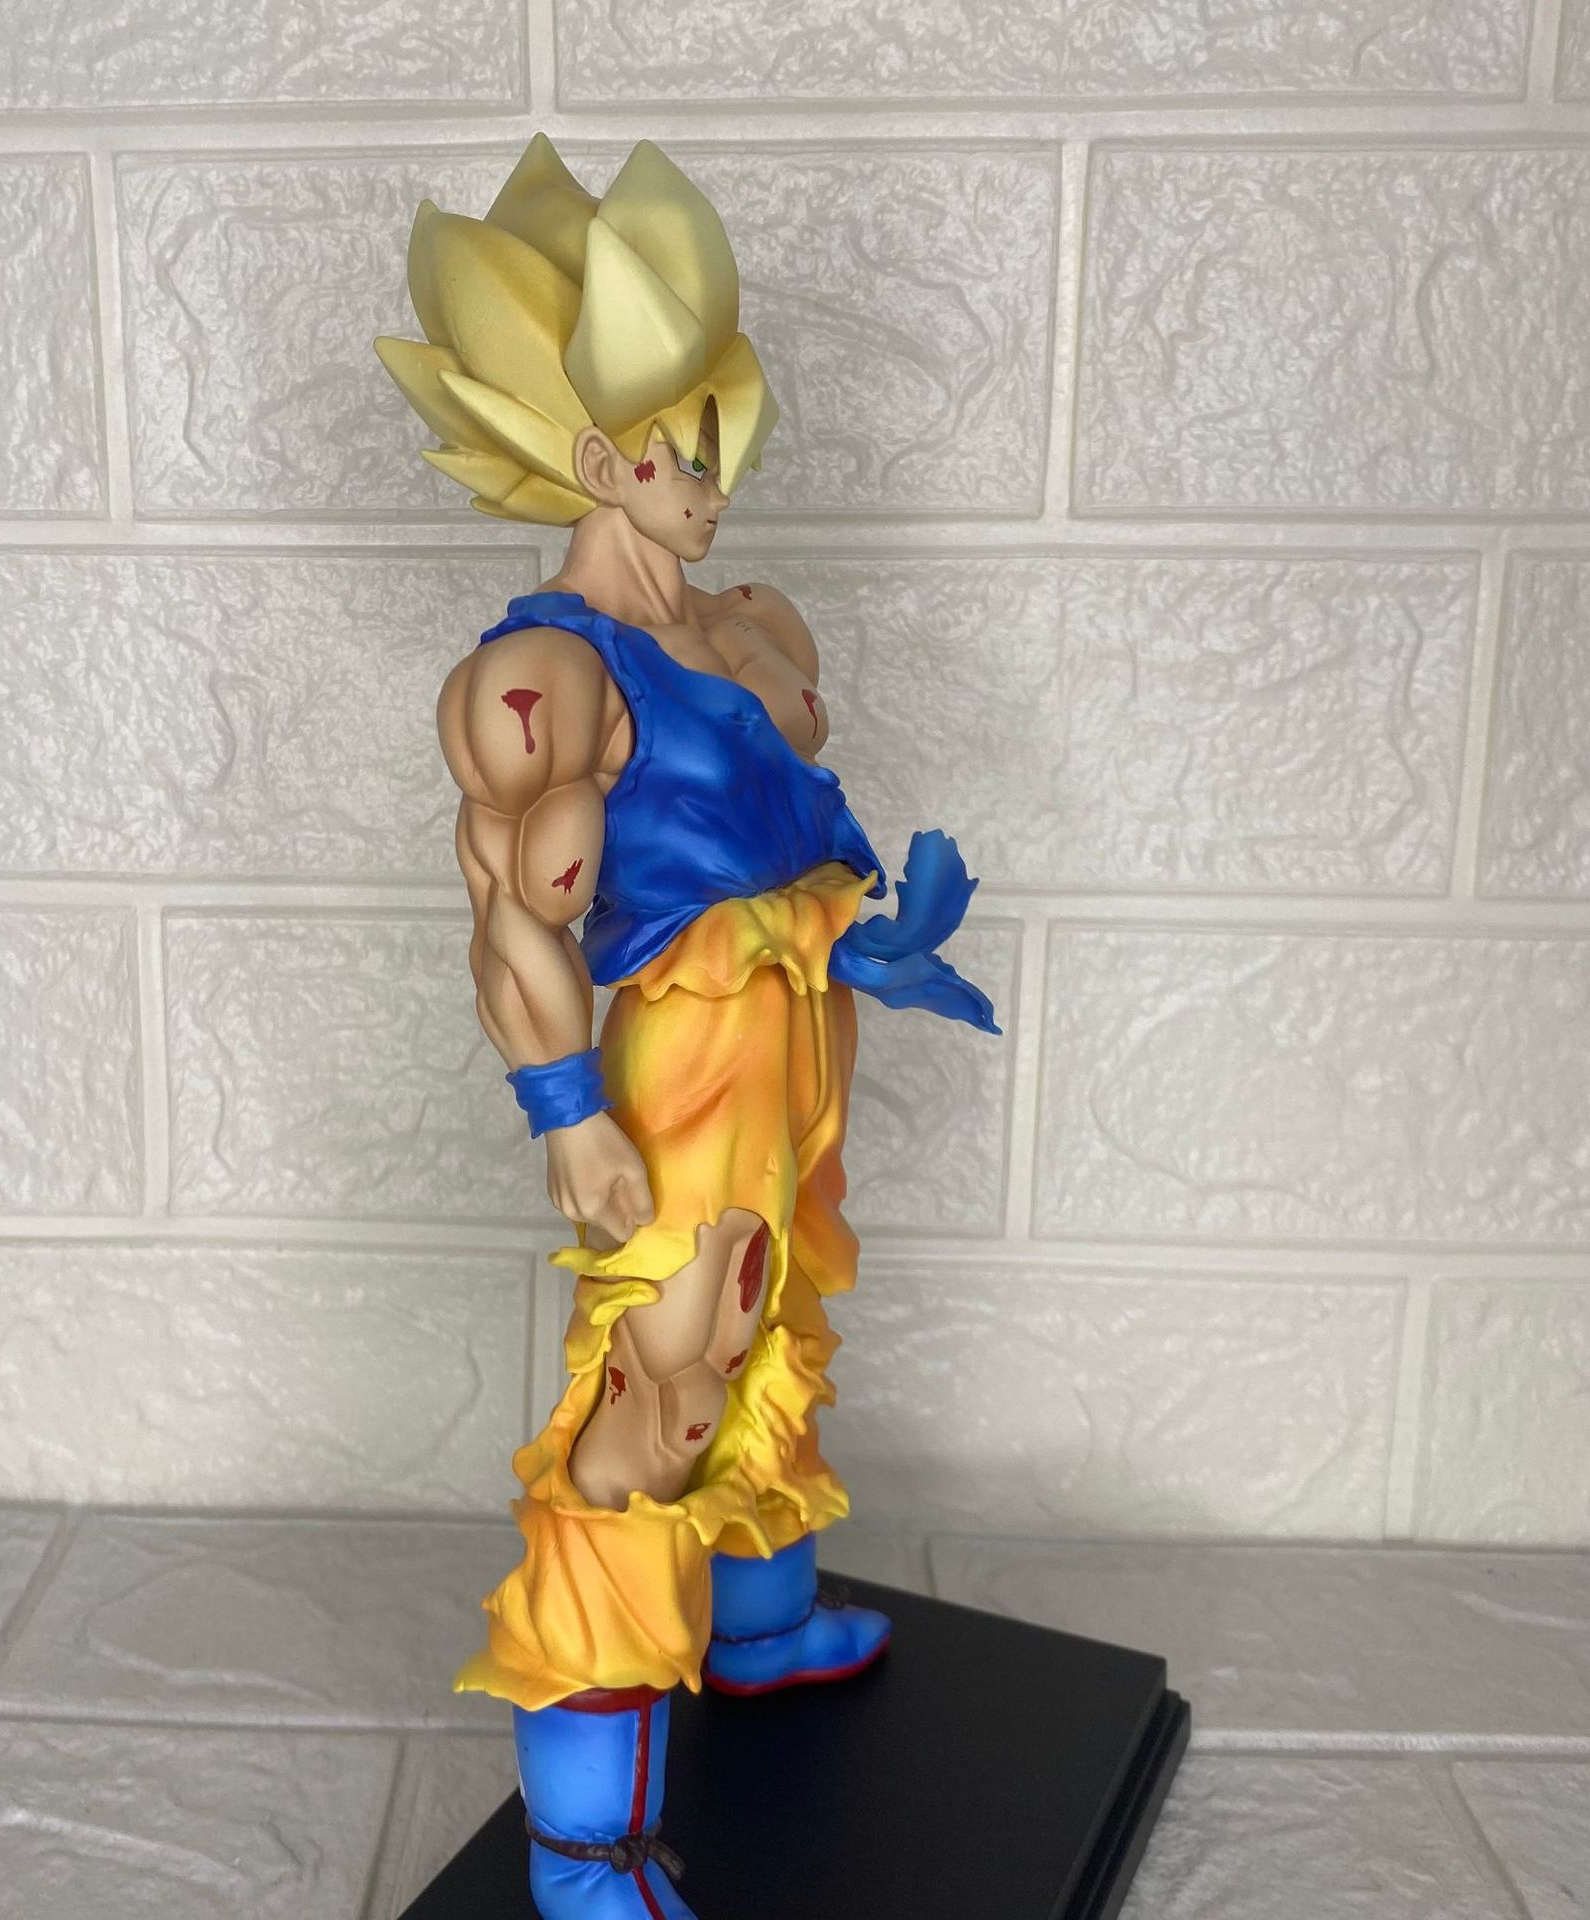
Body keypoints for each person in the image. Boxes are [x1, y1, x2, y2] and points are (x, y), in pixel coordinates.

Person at [376, 131, 999, 1920]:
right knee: (660, 1381)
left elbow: (795, 836)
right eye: (677, 450)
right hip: (678, 1056)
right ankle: (583, 1841)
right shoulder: (548, 676)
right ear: (596, 461)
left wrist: (869, 936)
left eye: (722, 438)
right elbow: (514, 905)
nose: (712, 482)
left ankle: (765, 1621)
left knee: (783, 1309)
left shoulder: (749, 621)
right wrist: (566, 1107)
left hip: (797, 1044)